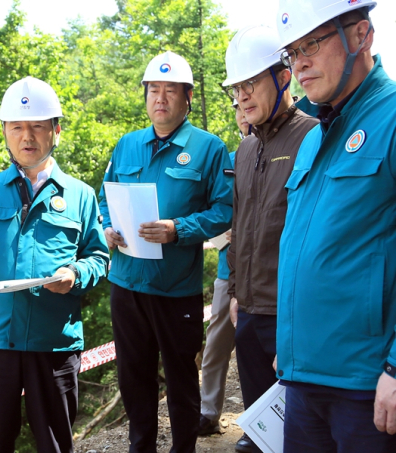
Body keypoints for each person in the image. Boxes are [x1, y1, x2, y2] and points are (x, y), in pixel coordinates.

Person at [0, 76, 109, 453]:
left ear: (55, 131)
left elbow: (99, 257)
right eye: (17, 127)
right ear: (5, 132)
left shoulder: (80, 195)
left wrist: (75, 274)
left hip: (54, 340)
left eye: (37, 126)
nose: (26, 136)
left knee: (55, 443)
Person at [275, 0, 396, 451]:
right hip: (304, 377)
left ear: (361, 35)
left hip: (366, 385)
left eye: (312, 44)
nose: (299, 63)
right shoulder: (312, 138)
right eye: (292, 52)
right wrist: (289, 342)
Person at [99, 50, 233, 453]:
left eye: (169, 90)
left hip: (176, 290)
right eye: (153, 90)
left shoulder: (209, 149)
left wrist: (179, 229)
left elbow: (225, 210)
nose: (160, 98)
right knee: (133, 378)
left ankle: (183, 449)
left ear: (187, 97)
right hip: (126, 284)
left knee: (180, 380)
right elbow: (104, 198)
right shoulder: (127, 145)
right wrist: (106, 226)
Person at [222, 24, 319, 453]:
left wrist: (298, 325)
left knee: (299, 434)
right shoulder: (244, 150)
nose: (242, 96)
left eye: (251, 83)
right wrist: (236, 293)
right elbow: (240, 225)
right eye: (236, 88)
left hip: (292, 317)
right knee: (261, 436)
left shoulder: (315, 136)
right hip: (250, 313)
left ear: (283, 77)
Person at [198, 99, 249, 437]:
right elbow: (206, 210)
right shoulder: (227, 162)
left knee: (257, 352)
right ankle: (207, 412)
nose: (243, 116)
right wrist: (221, 236)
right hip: (227, 272)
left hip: (268, 275)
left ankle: (260, 424)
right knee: (217, 344)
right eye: (238, 111)